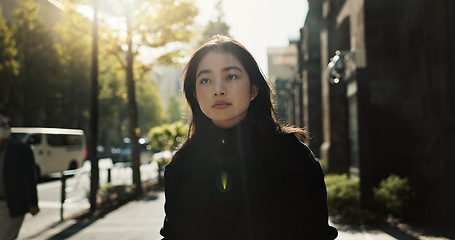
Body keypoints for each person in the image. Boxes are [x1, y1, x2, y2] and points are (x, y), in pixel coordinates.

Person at [160, 35, 338, 240]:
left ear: (253, 89)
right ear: (194, 94)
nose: (218, 90)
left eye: (231, 76)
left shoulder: (292, 155)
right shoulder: (182, 165)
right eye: (206, 80)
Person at [0, 114, 40, 240]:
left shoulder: (21, 149)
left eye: (4, 124)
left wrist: (32, 203)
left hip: (13, 204)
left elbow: (29, 177)